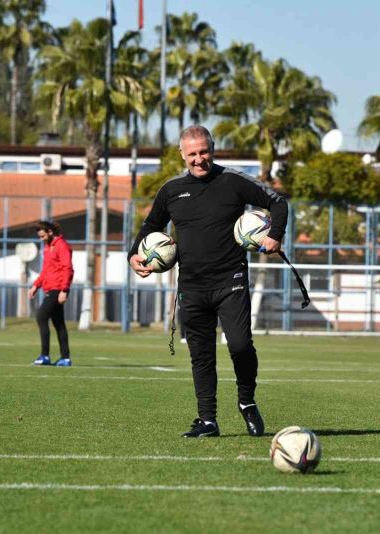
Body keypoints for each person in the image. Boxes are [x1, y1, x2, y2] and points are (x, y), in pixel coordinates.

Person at [128, 125, 288, 438]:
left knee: (240, 346)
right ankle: (208, 420)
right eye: (193, 154)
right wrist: (135, 254)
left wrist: (274, 236)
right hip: (191, 285)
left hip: (231, 279)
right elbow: (150, 226)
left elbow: (278, 202)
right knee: (201, 354)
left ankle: (246, 401)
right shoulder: (171, 190)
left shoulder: (233, 181)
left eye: (204, 152)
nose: (199, 159)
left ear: (212, 149)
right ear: (182, 154)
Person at [30, 220, 74, 367]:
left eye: (42, 236)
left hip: (57, 289)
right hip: (50, 288)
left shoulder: (61, 246)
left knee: (41, 317)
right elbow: (46, 270)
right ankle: (65, 358)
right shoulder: (47, 247)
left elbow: (68, 268)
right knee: (59, 324)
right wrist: (36, 285)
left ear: (50, 232)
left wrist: (64, 290)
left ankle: (44, 356)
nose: (41, 239)